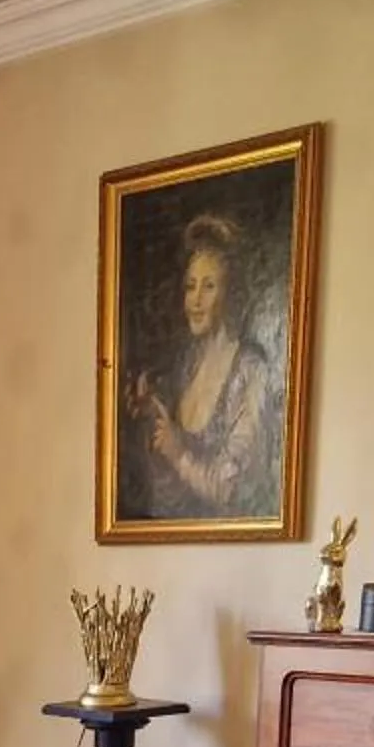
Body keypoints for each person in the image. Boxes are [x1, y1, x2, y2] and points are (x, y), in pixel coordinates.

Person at [122, 212, 281, 522]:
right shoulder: (187, 365)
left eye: (208, 287)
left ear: (231, 292)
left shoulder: (251, 370)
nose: (195, 300)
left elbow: (229, 488)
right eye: (190, 286)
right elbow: (166, 489)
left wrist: (178, 453)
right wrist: (151, 417)